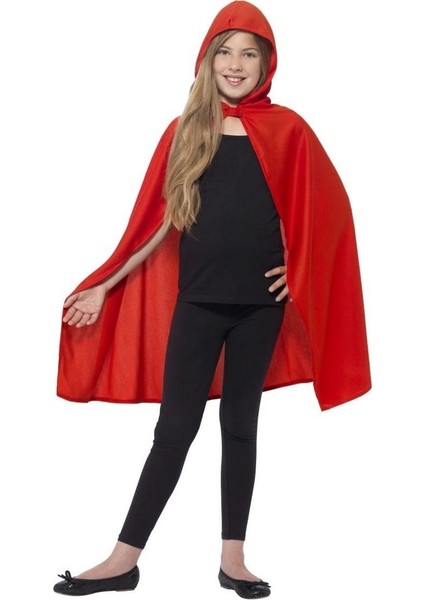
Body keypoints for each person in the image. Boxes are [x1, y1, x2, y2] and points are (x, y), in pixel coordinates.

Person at [53, 1, 371, 597]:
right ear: (206, 59)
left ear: (267, 64)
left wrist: (297, 268)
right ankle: (123, 560)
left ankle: (233, 560)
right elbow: (156, 223)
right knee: (174, 430)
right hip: (198, 302)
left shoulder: (290, 129)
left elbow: (327, 210)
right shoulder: (186, 130)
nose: (236, 64)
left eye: (249, 54)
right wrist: (104, 283)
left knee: (240, 426)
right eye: (225, 52)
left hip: (260, 306)